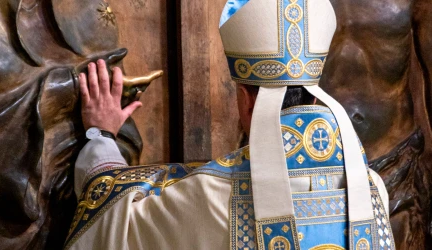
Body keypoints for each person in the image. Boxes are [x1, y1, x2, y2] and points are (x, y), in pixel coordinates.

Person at [65, 0, 395, 249]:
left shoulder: (215, 195)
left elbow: (108, 218)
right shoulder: (370, 189)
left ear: (247, 101)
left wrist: (102, 134)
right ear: (314, 96)